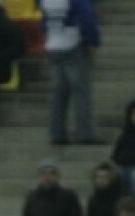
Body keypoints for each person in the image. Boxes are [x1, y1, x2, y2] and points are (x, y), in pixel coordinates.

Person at [41, 0, 100, 146]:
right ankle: (84, 133)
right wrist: (93, 41)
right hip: (73, 43)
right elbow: (86, 17)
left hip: (53, 44)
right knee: (81, 91)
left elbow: (44, 21)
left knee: (59, 93)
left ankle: (57, 133)